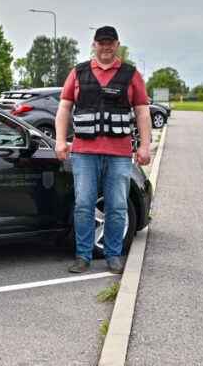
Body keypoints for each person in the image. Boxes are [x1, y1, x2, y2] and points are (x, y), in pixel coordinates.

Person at [54, 25, 151, 275]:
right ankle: (83, 256)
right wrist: (61, 141)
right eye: (101, 43)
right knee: (84, 204)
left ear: (118, 45)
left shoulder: (131, 75)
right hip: (84, 153)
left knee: (118, 206)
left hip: (119, 154)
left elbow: (142, 111)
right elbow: (64, 108)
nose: (105, 47)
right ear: (94, 46)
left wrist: (145, 145)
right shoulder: (78, 73)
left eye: (110, 42)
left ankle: (113, 255)